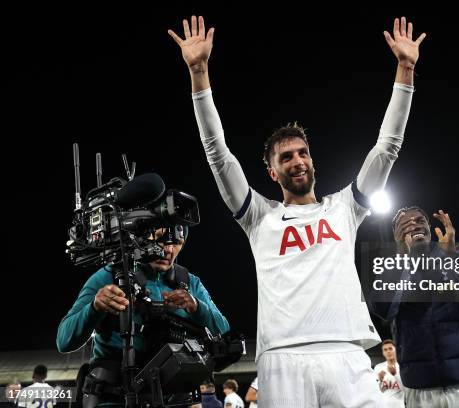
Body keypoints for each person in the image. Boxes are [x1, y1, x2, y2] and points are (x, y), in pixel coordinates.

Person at [168, 14, 424, 408]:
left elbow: (387, 147)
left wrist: (405, 70)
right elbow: (218, 155)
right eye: (286, 157)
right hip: (283, 357)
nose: (297, 160)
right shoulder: (258, 216)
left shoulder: (346, 208)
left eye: (303, 152)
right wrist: (199, 74)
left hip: (346, 351)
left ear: (312, 161)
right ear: (272, 171)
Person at [57, 227, 229, 406]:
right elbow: (64, 341)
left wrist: (197, 307)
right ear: (141, 236)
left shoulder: (190, 282)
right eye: (161, 239)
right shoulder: (110, 276)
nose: (169, 250)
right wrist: (94, 307)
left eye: (177, 242)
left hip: (172, 399)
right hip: (115, 399)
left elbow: (224, 333)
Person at [374, 206, 459, 407]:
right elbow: (381, 308)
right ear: (397, 234)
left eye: (420, 221)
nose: (414, 225)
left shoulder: (453, 260)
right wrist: (401, 256)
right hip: (420, 391)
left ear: (429, 227)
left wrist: (455, 255)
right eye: (405, 224)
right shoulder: (392, 268)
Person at [374, 340, 405, 408]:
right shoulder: (378, 367)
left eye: (390, 348)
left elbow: (406, 389)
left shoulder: (402, 366)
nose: (388, 351)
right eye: (385, 350)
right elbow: (377, 391)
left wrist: (395, 374)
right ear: (383, 353)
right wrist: (380, 381)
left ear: (396, 350)